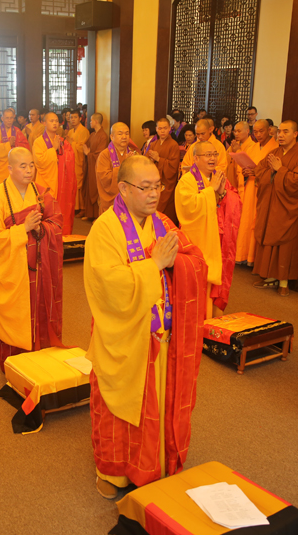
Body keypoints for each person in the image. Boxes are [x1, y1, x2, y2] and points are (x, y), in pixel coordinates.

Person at [84, 155, 208, 498]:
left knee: (158, 406)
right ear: (123, 189)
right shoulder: (104, 230)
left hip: (161, 336)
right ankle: (114, 473)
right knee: (119, 411)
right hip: (124, 336)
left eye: (158, 186)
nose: (154, 194)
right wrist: (154, 264)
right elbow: (107, 285)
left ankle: (155, 466)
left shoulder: (163, 222)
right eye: (145, 187)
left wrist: (174, 264)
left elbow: (196, 260)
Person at [0, 147, 64, 370]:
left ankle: (40, 354)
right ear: (9, 169)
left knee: (40, 308)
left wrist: (41, 230)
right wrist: (23, 229)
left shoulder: (40, 193)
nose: (29, 171)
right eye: (23, 166)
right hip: (14, 270)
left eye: (31, 165)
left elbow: (57, 223)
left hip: (39, 268)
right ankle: (15, 361)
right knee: (15, 317)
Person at [176, 140, 241, 318]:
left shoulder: (219, 177)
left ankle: (212, 317)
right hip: (199, 240)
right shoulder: (187, 181)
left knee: (215, 281)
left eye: (214, 154)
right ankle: (196, 320)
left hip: (216, 236)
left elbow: (234, 200)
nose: (212, 158)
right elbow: (187, 208)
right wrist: (210, 192)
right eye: (208, 155)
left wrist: (222, 194)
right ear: (196, 158)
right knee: (199, 281)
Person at [252, 121, 298, 296]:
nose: (280, 135)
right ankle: (269, 276)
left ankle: (284, 281)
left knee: (286, 240)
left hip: (287, 206)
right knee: (268, 234)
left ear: (295, 134)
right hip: (270, 203)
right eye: (279, 131)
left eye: (285, 131)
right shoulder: (274, 152)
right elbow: (259, 170)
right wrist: (271, 172)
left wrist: (280, 170)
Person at [234, 119, 278, 267]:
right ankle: (244, 255)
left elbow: (275, 173)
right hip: (250, 188)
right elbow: (242, 170)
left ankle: (255, 257)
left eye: (262, 131)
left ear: (269, 130)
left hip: (264, 190)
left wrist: (257, 172)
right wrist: (246, 173)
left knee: (257, 221)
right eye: (256, 132)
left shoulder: (276, 148)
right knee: (246, 220)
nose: (258, 134)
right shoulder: (252, 149)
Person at [33, 112, 76, 234]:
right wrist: (53, 149)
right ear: (44, 123)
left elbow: (70, 156)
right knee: (46, 214)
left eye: (56, 121)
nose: (55, 123)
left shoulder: (63, 141)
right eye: (51, 121)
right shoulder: (39, 142)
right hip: (45, 182)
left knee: (61, 212)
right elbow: (39, 162)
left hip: (61, 182)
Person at [145, 117, 181, 223]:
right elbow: (146, 163)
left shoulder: (173, 145)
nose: (162, 131)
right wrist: (151, 160)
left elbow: (173, 168)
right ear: (156, 129)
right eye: (160, 128)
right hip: (154, 182)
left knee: (166, 212)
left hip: (167, 183)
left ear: (170, 128)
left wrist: (158, 159)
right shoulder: (153, 144)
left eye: (165, 128)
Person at [95, 122, 136, 213]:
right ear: (112, 137)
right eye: (120, 134)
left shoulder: (134, 154)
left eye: (127, 133)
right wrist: (124, 164)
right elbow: (104, 178)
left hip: (130, 201)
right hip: (110, 203)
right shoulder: (104, 155)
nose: (124, 137)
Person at [0, 108, 30, 186]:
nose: (9, 120)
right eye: (7, 118)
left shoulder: (17, 131)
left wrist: (17, 145)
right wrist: (9, 144)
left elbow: (25, 148)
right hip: (0, 168)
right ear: (2, 118)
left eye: (11, 118)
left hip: (14, 167)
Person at [83, 112, 109, 220]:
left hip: (97, 166)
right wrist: (86, 151)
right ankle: (90, 214)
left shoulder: (103, 136)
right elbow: (86, 145)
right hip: (90, 165)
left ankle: (97, 216)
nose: (90, 122)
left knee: (96, 189)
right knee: (89, 187)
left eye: (91, 120)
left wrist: (89, 154)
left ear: (96, 121)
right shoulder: (93, 134)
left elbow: (100, 154)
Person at [65, 109, 90, 215]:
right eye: (71, 117)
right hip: (71, 161)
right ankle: (74, 206)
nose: (73, 120)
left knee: (79, 183)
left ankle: (82, 207)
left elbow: (83, 148)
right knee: (72, 182)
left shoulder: (84, 131)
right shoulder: (70, 131)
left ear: (80, 118)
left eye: (75, 117)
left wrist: (72, 143)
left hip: (79, 161)